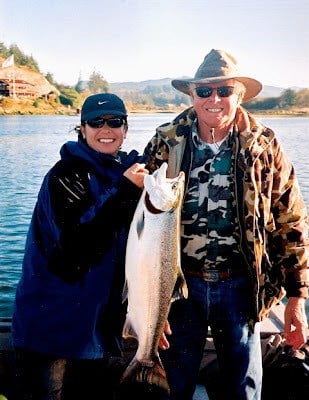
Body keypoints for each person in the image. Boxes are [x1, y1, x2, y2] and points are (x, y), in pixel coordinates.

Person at [143, 49, 309, 400]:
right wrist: (148, 310)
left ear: (239, 95)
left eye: (224, 91)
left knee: (244, 390)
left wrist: (296, 299)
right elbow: (140, 229)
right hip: (178, 289)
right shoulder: (166, 140)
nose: (214, 99)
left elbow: (291, 222)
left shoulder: (265, 145)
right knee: (173, 388)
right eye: (204, 91)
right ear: (192, 95)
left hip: (241, 288)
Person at [11, 93, 150, 400]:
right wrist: (126, 191)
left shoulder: (126, 176)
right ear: (82, 129)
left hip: (98, 335)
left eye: (114, 122)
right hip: (52, 336)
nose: (106, 129)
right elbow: (74, 253)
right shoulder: (65, 176)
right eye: (95, 123)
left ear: (126, 129)